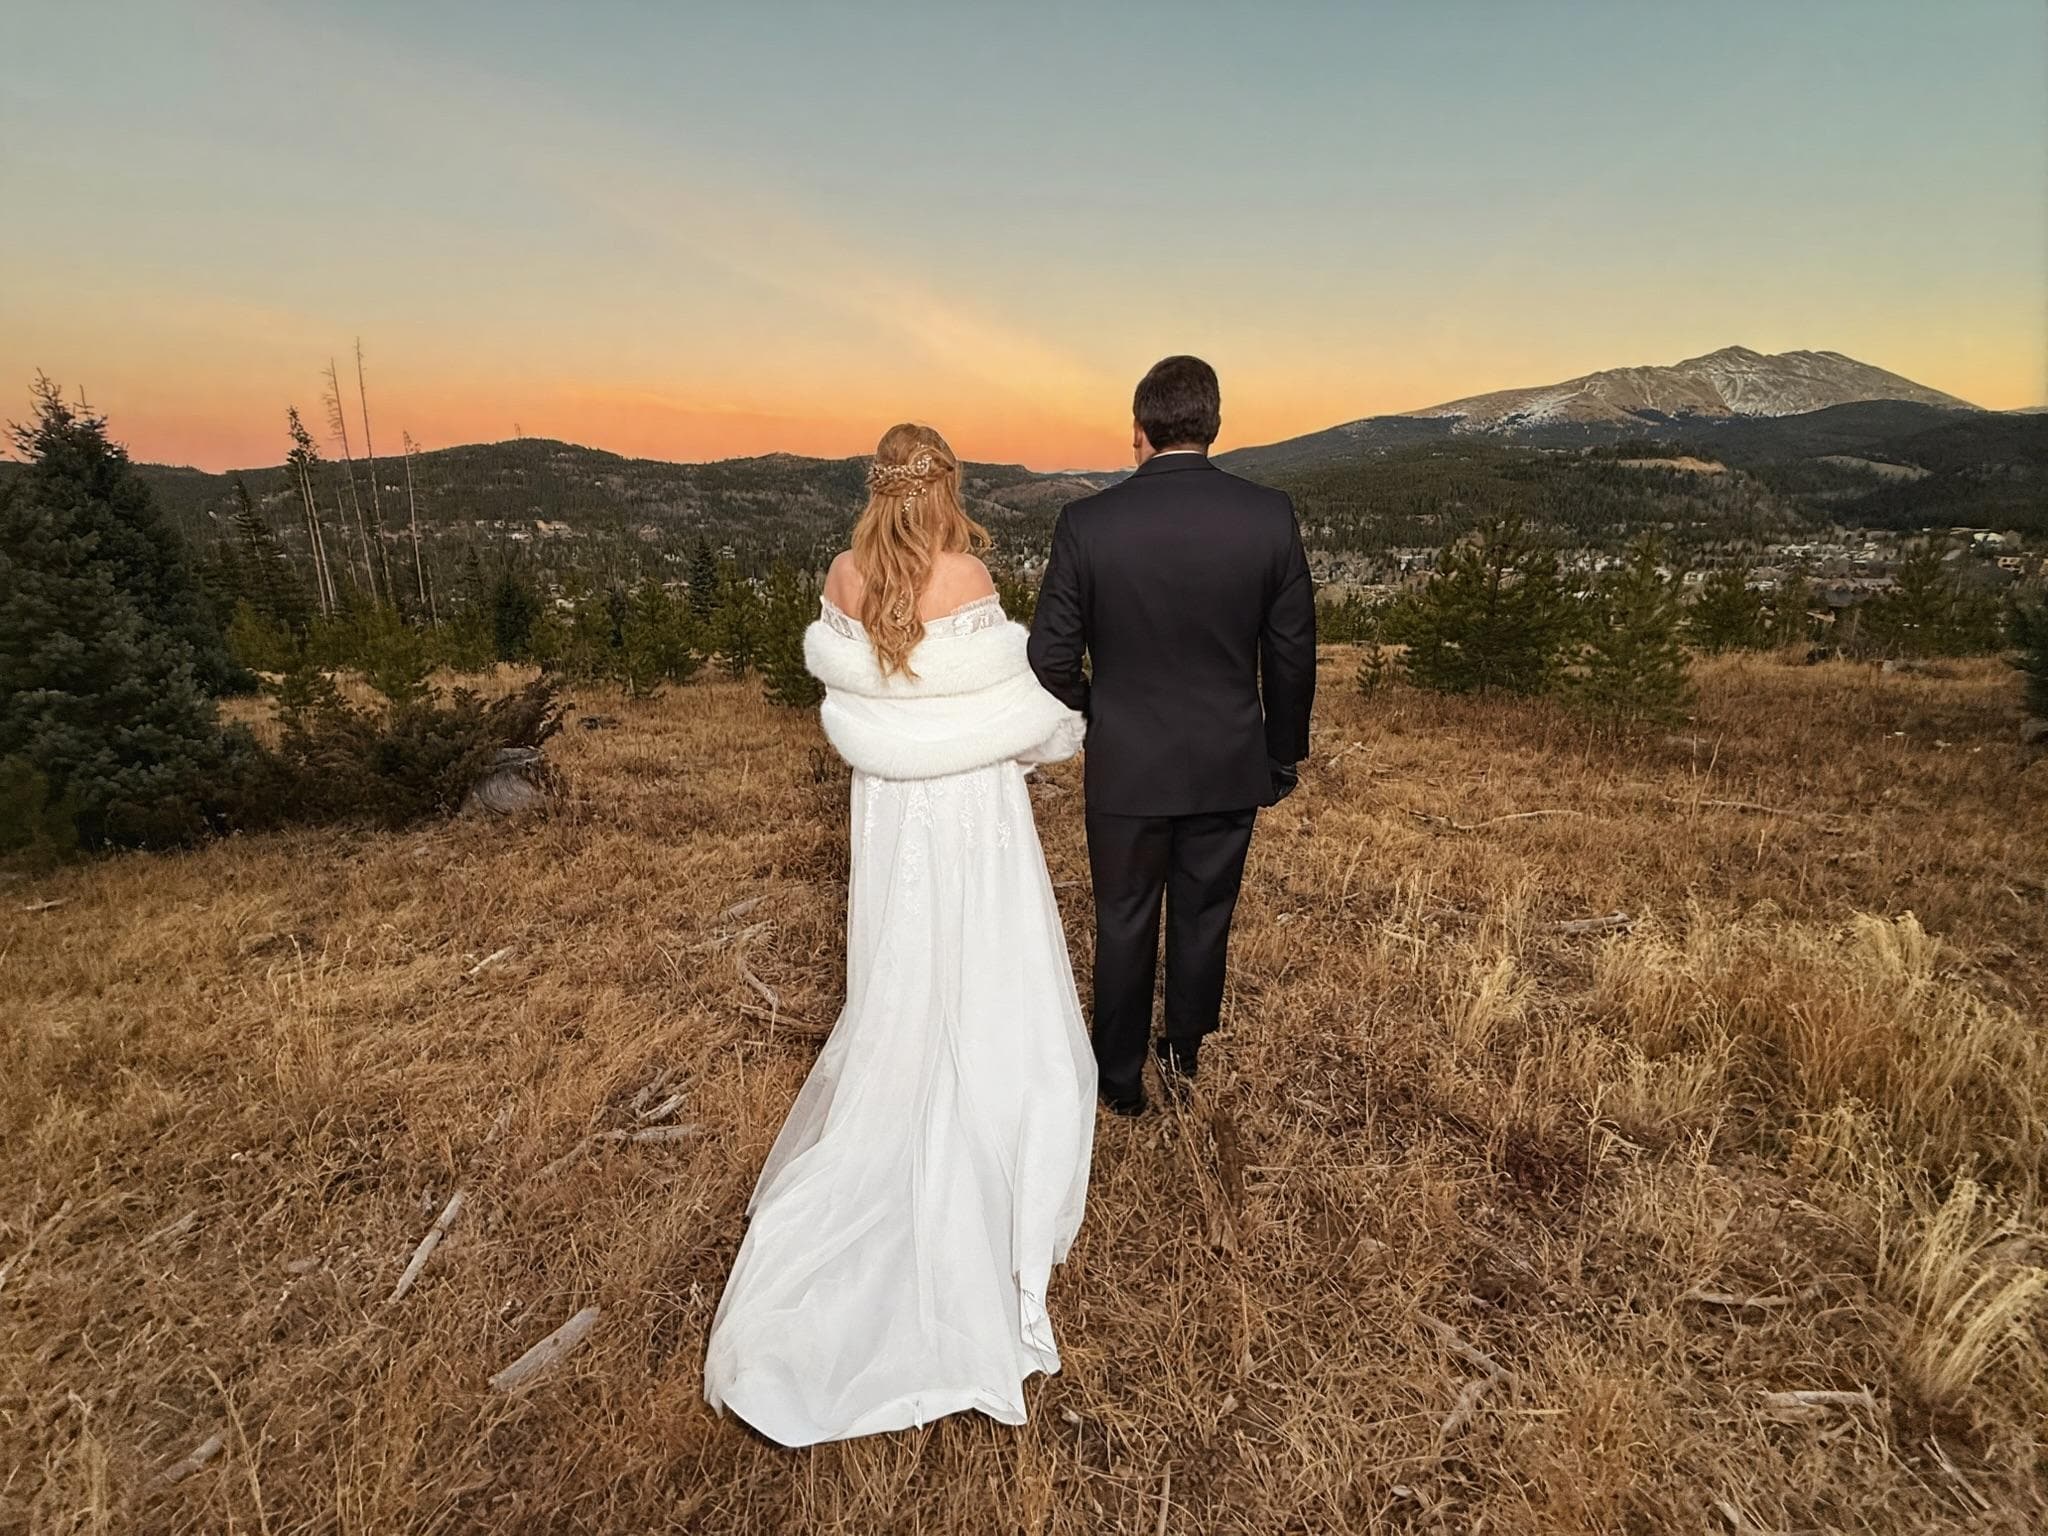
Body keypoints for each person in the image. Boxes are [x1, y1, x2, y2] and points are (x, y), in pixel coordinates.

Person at [704, 423, 1096, 1446]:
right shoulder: (966, 576)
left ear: (875, 488)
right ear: (946, 486)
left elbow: (861, 699)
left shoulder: (842, 575)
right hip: (968, 810)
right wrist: (1062, 731)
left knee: (901, 966)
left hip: (888, 812)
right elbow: (1021, 712)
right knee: (983, 961)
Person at [1028, 355, 1316, 1116]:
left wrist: (1099, 713)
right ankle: (1183, 1054)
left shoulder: (1087, 523)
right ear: (1213, 424)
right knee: (1205, 913)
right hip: (1227, 758)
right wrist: (1280, 752)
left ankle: (1118, 1081)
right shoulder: (1268, 516)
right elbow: (1291, 652)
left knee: (1123, 918)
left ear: (1139, 428)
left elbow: (1050, 657)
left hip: (1126, 764)